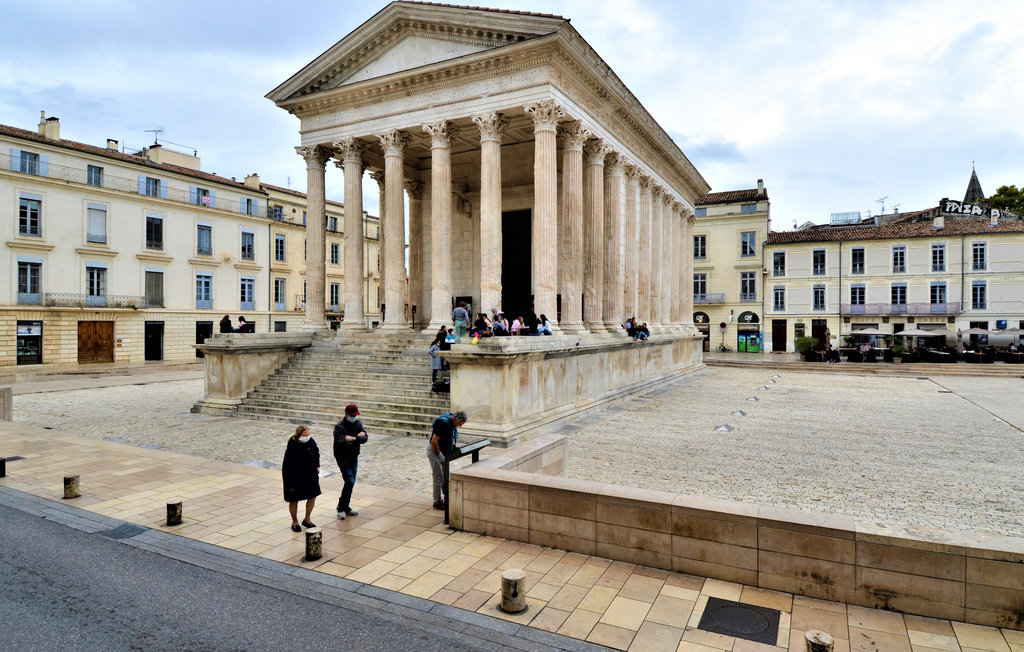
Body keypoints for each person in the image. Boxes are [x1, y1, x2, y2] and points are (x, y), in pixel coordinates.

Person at [282, 424, 320, 532]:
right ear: (299, 435)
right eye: (305, 435)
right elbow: (288, 465)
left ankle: (307, 519)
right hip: (295, 476)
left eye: (308, 434)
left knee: (312, 495)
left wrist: (317, 466)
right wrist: (290, 481)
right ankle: (295, 522)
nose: (307, 436)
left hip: (310, 474)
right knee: (294, 499)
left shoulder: (311, 441)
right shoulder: (292, 445)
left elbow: (316, 452)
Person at [427, 410, 467, 510]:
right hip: (435, 451)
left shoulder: (451, 422)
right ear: (456, 419)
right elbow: (434, 441)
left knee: (446, 476)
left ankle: (447, 498)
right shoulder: (442, 423)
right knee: (438, 477)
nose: (459, 426)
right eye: (459, 424)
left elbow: (447, 437)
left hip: (443, 452)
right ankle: (437, 502)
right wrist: (439, 456)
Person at [333, 404, 368, 520]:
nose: (354, 417)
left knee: (351, 482)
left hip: (354, 456)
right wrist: (356, 438)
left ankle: (345, 506)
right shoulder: (339, 427)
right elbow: (341, 442)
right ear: (346, 415)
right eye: (352, 415)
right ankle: (341, 507)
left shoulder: (358, 423)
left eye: (355, 415)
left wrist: (353, 438)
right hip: (343, 458)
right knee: (350, 481)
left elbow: (364, 437)